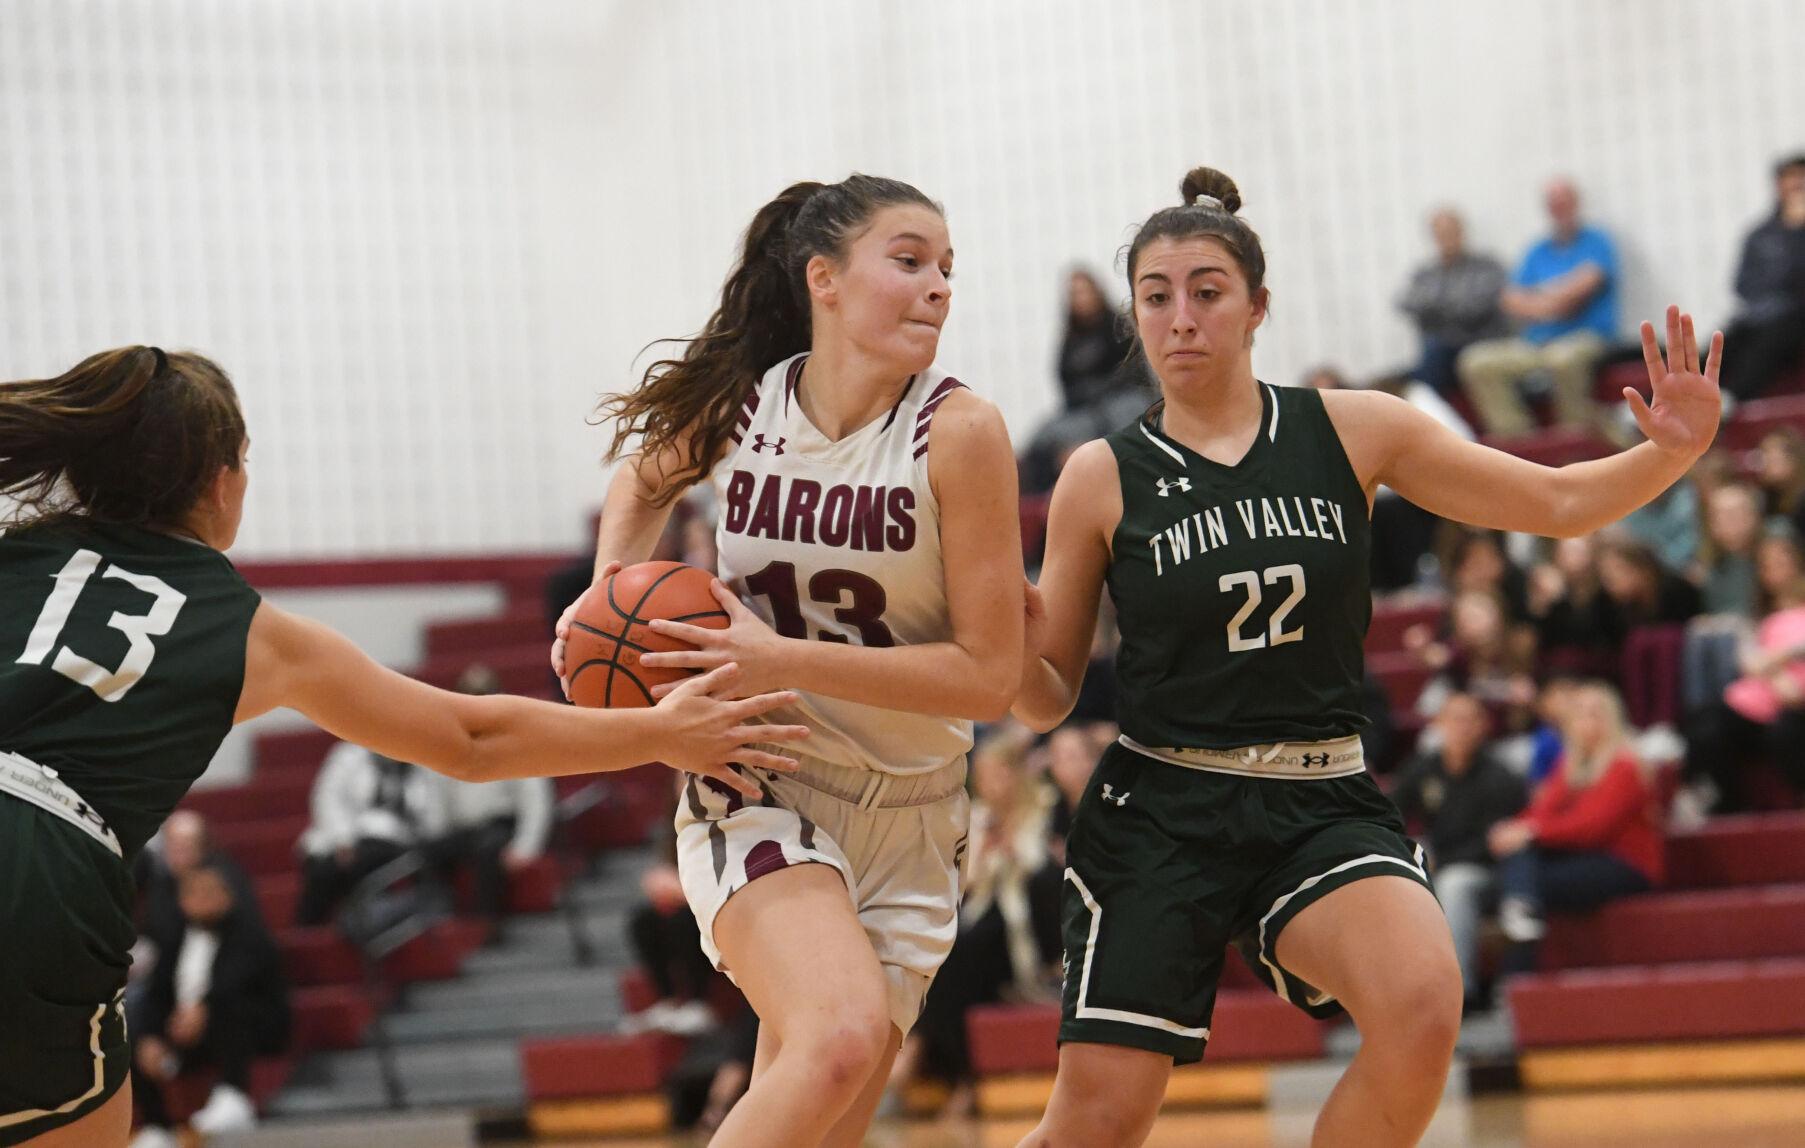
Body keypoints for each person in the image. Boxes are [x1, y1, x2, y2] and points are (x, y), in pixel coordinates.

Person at [1010, 166, 1720, 1147]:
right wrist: (1003, 637)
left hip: (1317, 797)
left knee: (1422, 1001)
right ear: (1132, 316)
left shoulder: (1349, 428)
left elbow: (1553, 502)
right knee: (1096, 1120)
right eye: (1156, 297)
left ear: (1257, 305)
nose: (1180, 318)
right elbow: (1045, 692)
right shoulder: (1098, 476)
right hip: (1162, 810)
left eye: (1206, 291)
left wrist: (1667, 454)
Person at [0, 347, 807, 1148]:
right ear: (222, 483)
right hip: (43, 861)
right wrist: (663, 732)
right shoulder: (246, 629)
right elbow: (472, 736)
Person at [550, 174, 1025, 1148]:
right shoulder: (740, 407)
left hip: (913, 813)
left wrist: (780, 652)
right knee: (840, 1035)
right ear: (824, 278)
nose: (937, 285)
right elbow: (639, 483)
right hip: (760, 777)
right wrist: (607, 604)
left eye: (946, 267)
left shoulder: (959, 431)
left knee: (823, 1110)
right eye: (907, 260)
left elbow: (986, 675)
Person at [1488, 682, 1662, 975]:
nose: (1586, 721)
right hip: (1580, 857)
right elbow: (1541, 812)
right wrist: (1516, 829)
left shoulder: (1626, 764)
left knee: (1522, 885)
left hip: (1624, 863)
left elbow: (1593, 826)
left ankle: (1514, 978)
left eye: (1595, 713)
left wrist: (1529, 831)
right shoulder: (1570, 764)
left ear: (1612, 719)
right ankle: (1516, 970)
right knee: (1521, 872)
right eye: (1579, 714)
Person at [128, 863, 289, 1146]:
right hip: (184, 1031)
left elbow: (237, 981)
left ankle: (234, 1095)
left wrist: (200, 1008)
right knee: (132, 1021)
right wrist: (150, 1036)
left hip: (248, 1029)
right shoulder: (174, 938)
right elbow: (158, 993)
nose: (201, 899)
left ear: (228, 895)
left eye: (209, 892)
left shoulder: (250, 932)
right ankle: (157, 1126)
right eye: (193, 893)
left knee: (226, 1007)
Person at [1388, 694, 1526, 1011]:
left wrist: (1435, 861)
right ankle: (1391, 997)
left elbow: (1493, 844)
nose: (1461, 728)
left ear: (1483, 726)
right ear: (1438, 724)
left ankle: (1458, 994)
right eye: (1454, 719)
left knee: (1455, 883)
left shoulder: (1500, 776)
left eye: (1470, 720)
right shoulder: (1422, 769)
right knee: (1387, 886)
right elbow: (1386, 813)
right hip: (1439, 862)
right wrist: (1410, 850)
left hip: (1489, 873)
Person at [1458, 179, 1621, 435]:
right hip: (1537, 344)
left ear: (1576, 204)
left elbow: (1583, 287)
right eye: (1553, 204)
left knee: (1562, 360)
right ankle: (1519, 443)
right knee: (1476, 361)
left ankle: (1574, 439)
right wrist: (1555, 300)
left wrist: (1540, 297)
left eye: (1564, 202)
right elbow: (1511, 299)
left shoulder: (1597, 241)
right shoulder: (1537, 250)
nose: (1559, 209)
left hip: (1586, 338)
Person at [419, 666, 556, 936]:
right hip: (463, 829)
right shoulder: (449, 742)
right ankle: (439, 921)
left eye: (482, 696)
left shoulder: (514, 742)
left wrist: (525, 846)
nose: (477, 702)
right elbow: (437, 795)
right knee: (427, 851)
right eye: (470, 696)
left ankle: (488, 923)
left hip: (500, 826)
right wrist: (437, 833)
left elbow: (535, 799)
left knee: (487, 849)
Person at [293, 743, 436, 927]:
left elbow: (431, 814)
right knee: (325, 867)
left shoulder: (421, 764)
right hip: (349, 838)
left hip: (396, 844)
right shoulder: (349, 756)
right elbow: (326, 798)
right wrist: (342, 839)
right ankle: (310, 925)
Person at [1396, 208, 1509, 398]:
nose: (1446, 239)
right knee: (1401, 376)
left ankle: (1425, 410)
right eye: (1441, 234)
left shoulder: (1485, 266)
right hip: (1438, 350)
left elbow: (1475, 309)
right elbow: (1404, 302)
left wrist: (1434, 307)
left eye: (1451, 232)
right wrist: (1448, 306)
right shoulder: (1426, 273)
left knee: (1432, 356)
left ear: (1462, 232)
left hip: (1477, 343)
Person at [1720, 154, 1805, 402]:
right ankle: (1654, 402)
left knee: (1775, 335)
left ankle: (1730, 397)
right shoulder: (1759, 235)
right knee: (1724, 342)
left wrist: (1797, 234)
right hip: (1761, 316)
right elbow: (1742, 285)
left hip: (1795, 320)